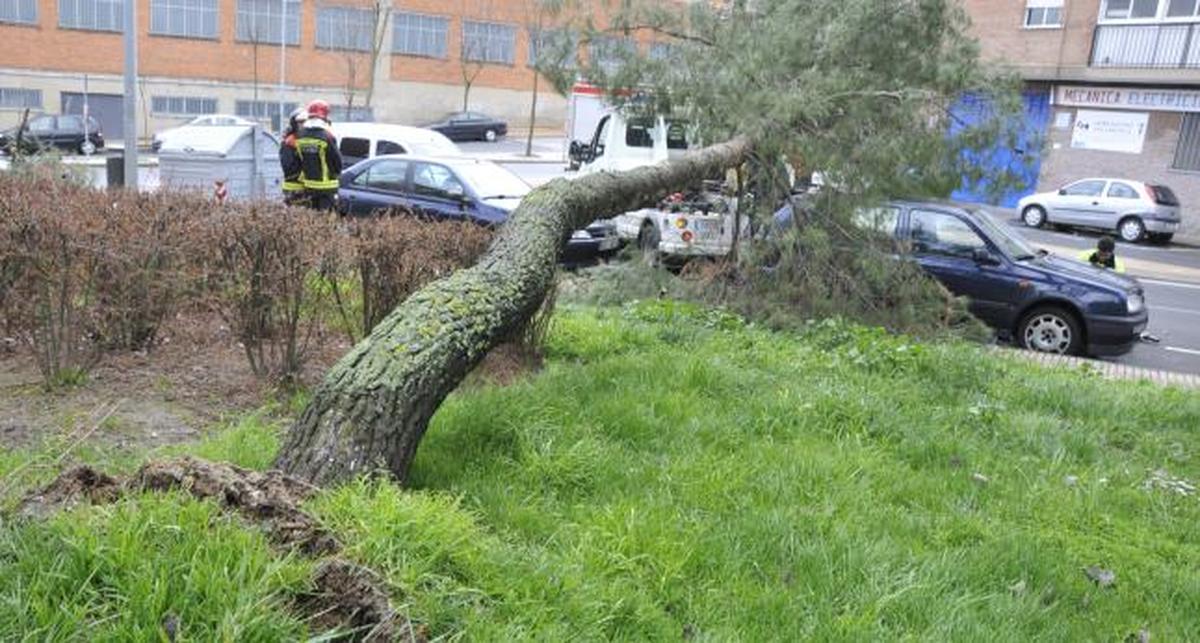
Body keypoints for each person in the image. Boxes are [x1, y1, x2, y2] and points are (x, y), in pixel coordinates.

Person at [295, 99, 342, 211]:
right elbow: (337, 162)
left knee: (312, 220)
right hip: (326, 187)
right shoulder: (327, 136)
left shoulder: (300, 136)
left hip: (309, 185)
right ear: (324, 117)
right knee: (326, 220)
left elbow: (300, 160)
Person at [279, 107, 307, 205]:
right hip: (293, 188)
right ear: (294, 124)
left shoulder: (307, 141)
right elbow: (288, 167)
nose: (304, 125)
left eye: (306, 122)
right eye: (301, 122)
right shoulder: (289, 143)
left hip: (306, 188)